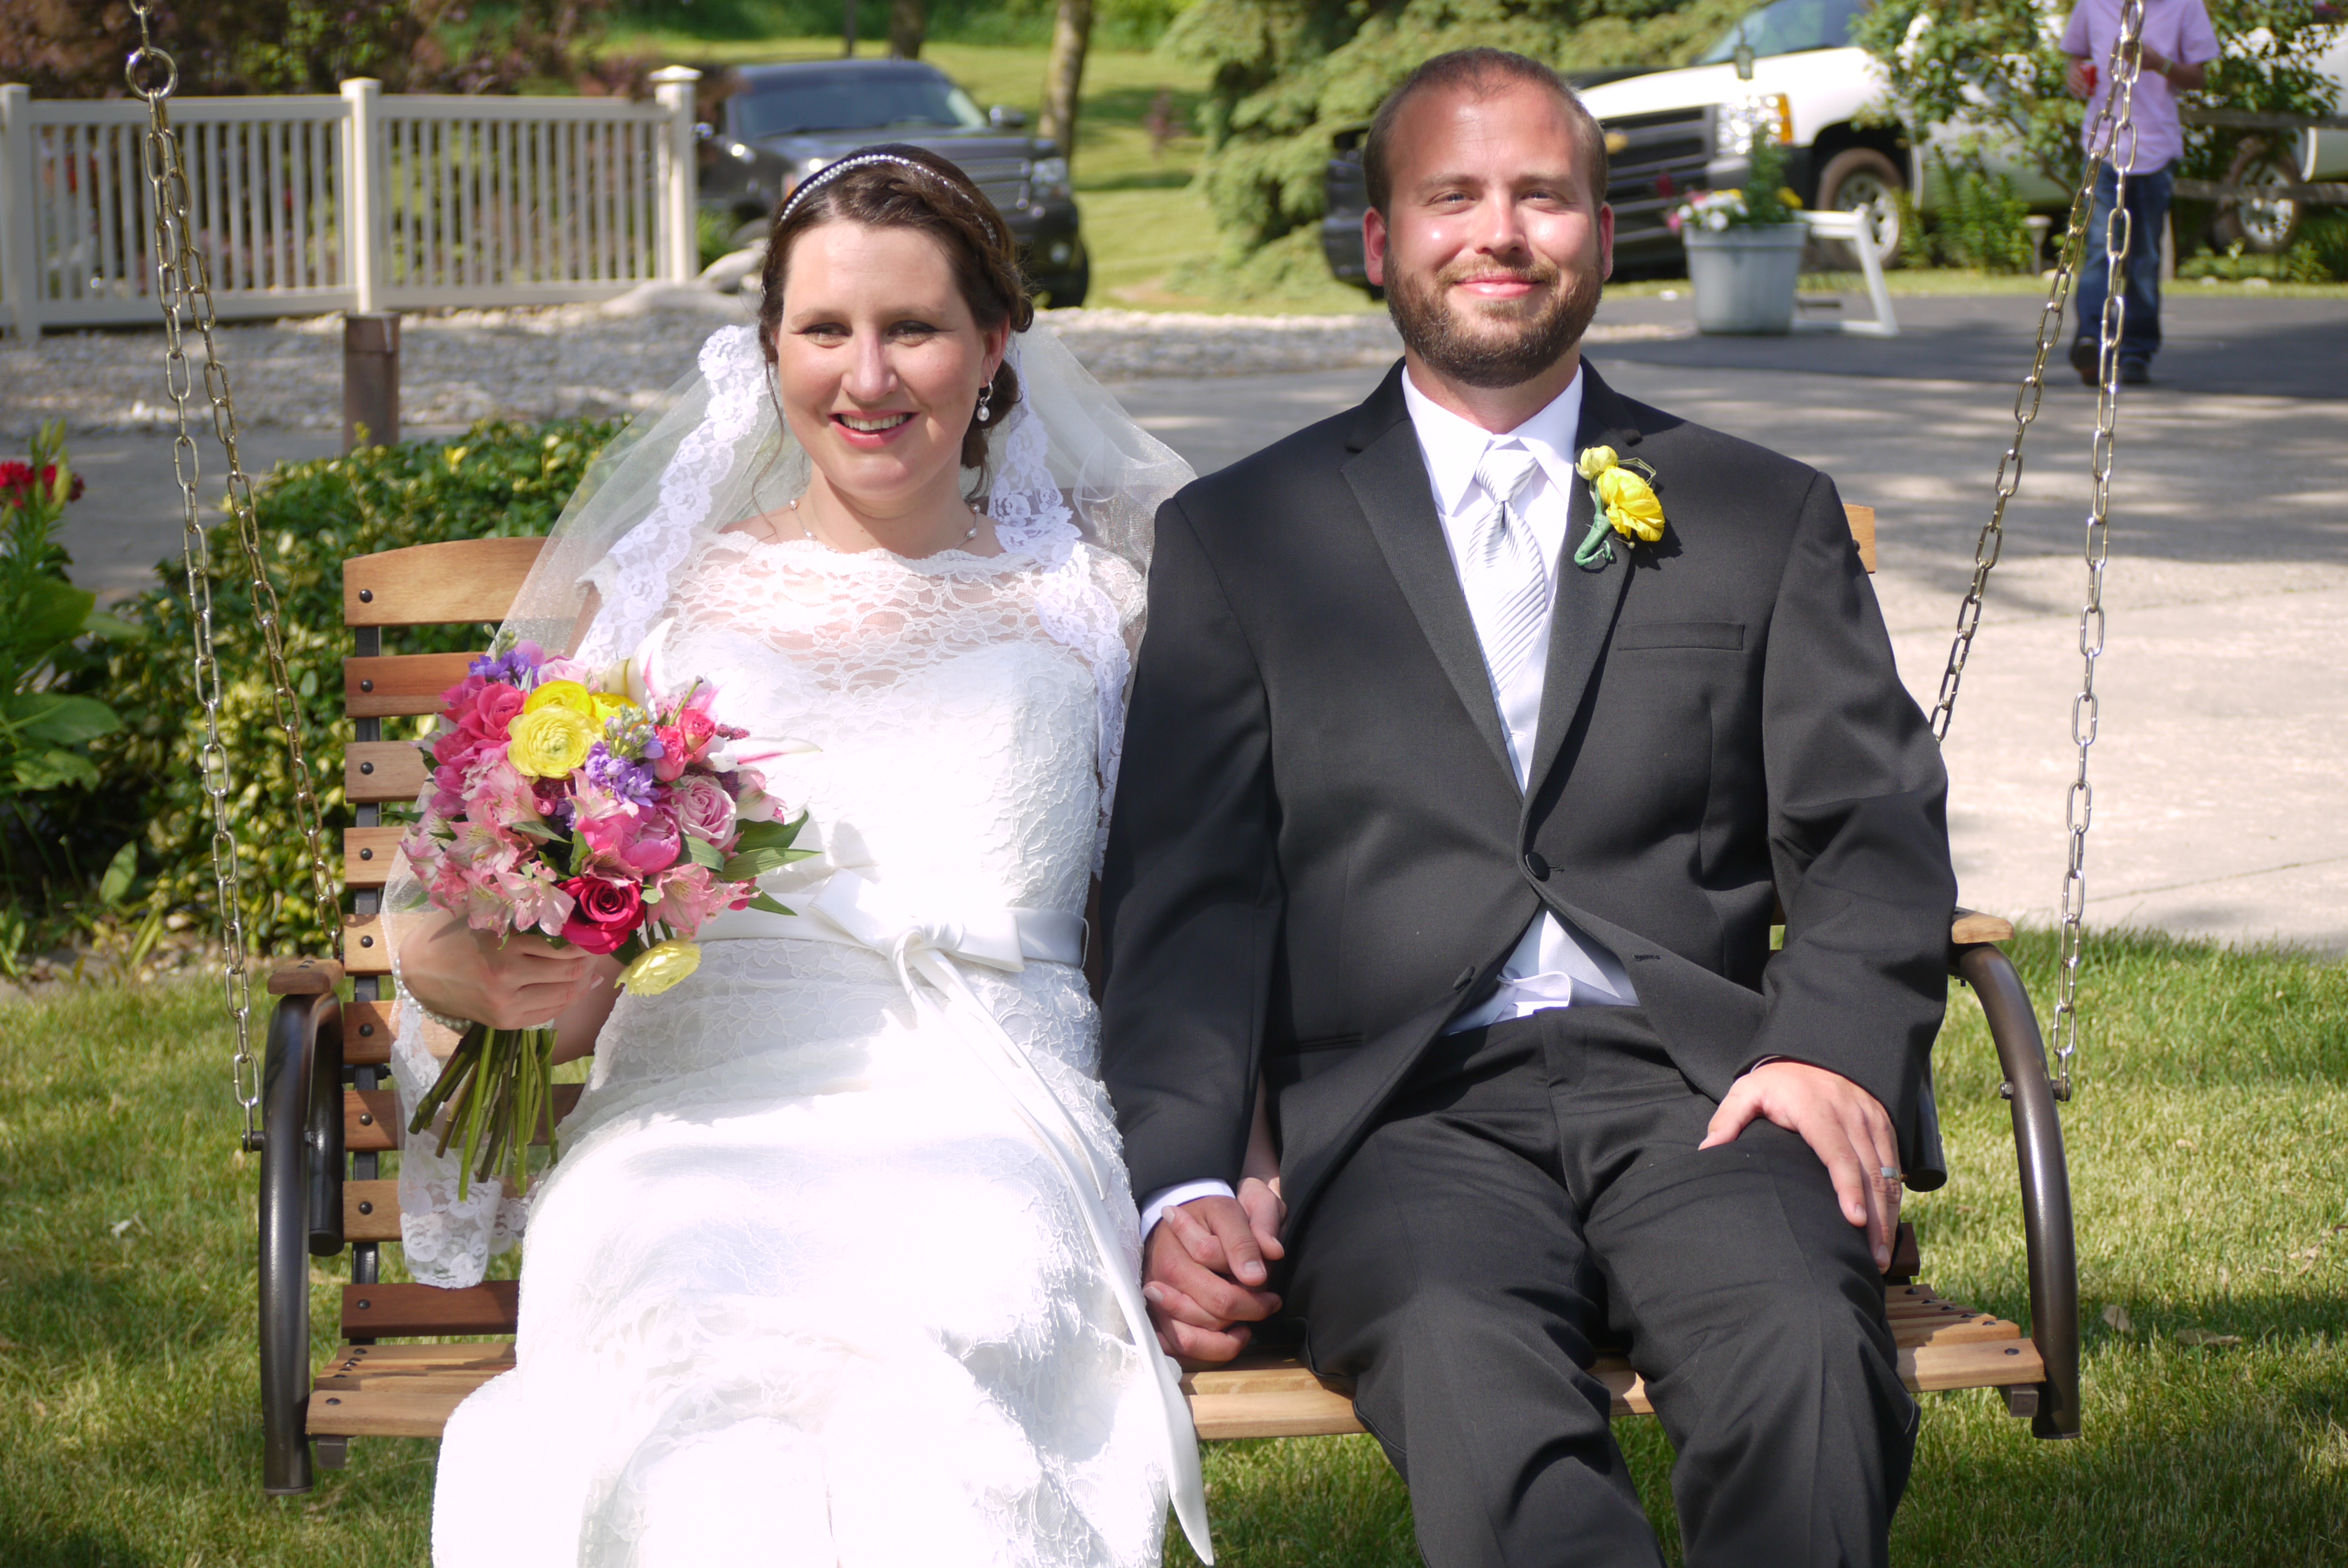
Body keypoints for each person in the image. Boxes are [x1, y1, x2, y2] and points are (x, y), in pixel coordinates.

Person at [1101, 49, 1956, 1568]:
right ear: (1381, 241)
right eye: (1453, 197)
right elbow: (1190, 897)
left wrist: (1831, 1054)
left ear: (1603, 236)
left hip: (1706, 1092)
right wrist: (1184, 1176)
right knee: (1461, 1359)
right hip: (1398, 1116)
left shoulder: (1754, 512)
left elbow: (1869, 833)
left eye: (1541, 197)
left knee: (1802, 1349)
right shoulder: (1243, 536)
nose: (1498, 232)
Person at [390, 145, 1216, 1567]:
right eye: (824, 329)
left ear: (993, 347)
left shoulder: (1097, 606)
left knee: (934, 1369)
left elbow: (1208, 908)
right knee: (699, 1380)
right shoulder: (663, 594)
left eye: (914, 328)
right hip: (691, 1119)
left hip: (987, 1111)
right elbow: (452, 916)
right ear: (768, 348)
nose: (867, 376)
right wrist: (500, 960)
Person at [2062, 0, 2220, 386]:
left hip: (2154, 149)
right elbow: (2074, 55)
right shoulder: (2094, 4)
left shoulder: (2184, 6)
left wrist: (2160, 64)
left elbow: (2199, 77)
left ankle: (2136, 351)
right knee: (2099, 246)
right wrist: (2075, 75)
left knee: (2145, 256)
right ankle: (2091, 340)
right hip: (2103, 146)